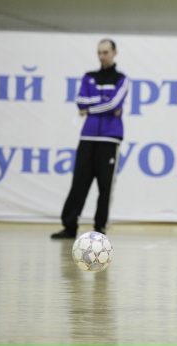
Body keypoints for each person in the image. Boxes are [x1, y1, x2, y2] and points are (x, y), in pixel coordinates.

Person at [51, 39, 129, 239]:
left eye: (105, 52)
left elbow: (114, 103)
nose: (102, 56)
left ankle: (100, 227)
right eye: (99, 52)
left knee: (105, 186)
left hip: (110, 139)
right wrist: (104, 102)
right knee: (79, 182)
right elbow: (80, 101)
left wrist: (91, 108)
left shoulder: (121, 79)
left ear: (114, 53)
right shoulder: (89, 76)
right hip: (88, 136)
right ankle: (69, 226)